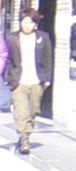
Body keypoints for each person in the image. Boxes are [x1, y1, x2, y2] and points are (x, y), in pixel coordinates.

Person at [3, 10, 55, 155]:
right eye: (25, 22)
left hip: (37, 81)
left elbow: (48, 59)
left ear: (35, 24)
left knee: (33, 111)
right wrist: (8, 78)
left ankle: (25, 135)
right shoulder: (12, 38)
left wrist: (47, 79)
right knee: (21, 112)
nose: (27, 25)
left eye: (31, 23)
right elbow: (7, 58)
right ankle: (24, 140)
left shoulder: (43, 38)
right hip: (19, 82)